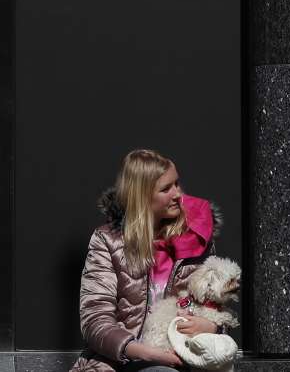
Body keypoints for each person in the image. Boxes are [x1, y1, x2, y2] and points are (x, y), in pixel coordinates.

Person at [70, 150, 225, 372]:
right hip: (118, 362)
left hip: (185, 356)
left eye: (177, 184)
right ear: (141, 195)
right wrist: (147, 353)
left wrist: (211, 327)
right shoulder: (107, 242)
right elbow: (95, 320)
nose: (177, 194)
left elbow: (217, 308)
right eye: (166, 189)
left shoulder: (195, 238)